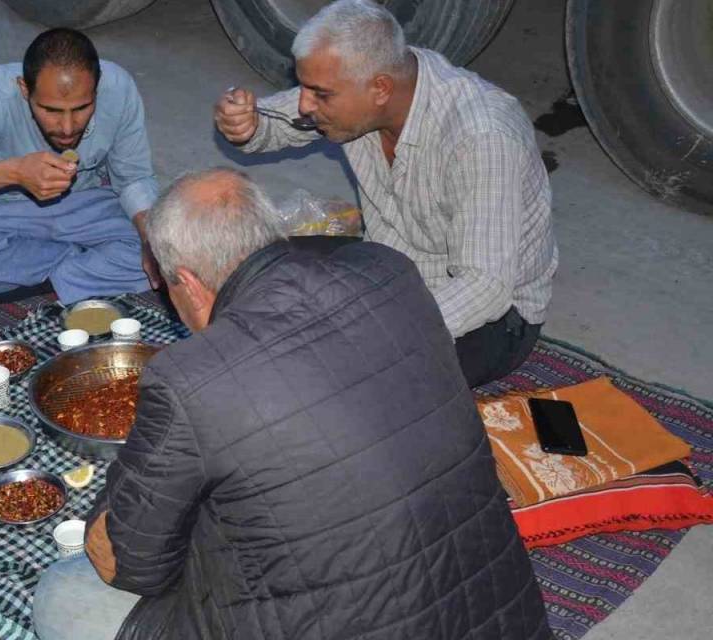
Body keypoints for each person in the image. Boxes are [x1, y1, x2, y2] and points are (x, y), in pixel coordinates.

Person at [32, 169, 552, 640]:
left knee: (66, 592)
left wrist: (122, 491)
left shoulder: (191, 378)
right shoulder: (390, 272)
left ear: (186, 282)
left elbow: (128, 564)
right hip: (502, 620)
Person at [215, 0, 558, 387]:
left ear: (380, 89)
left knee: (344, 382)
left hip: (490, 320)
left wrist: (377, 329)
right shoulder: (373, 86)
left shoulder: (482, 138)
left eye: (320, 94)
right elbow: (274, 122)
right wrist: (248, 123)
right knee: (247, 269)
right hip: (389, 270)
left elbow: (485, 288)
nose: (306, 105)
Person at [0, 28, 159, 317]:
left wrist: (151, 242)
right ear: (24, 89)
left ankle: (44, 279)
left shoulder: (119, 88)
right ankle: (86, 268)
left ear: (97, 89)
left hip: (85, 202)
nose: (67, 128)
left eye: (82, 108)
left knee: (169, 251)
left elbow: (134, 178)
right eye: (51, 110)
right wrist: (15, 172)